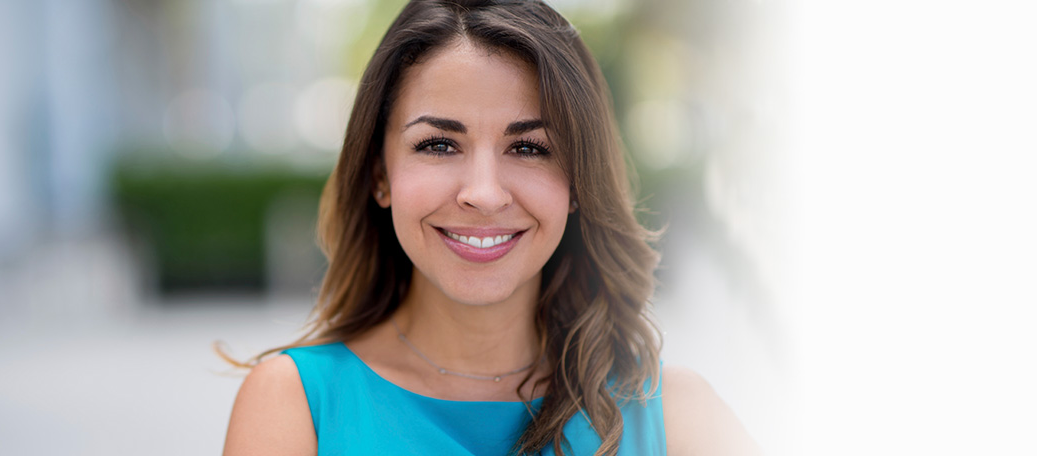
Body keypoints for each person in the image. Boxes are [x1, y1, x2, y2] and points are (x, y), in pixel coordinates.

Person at [220, 1, 758, 454]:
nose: (483, 192)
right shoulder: (294, 408)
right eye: (438, 144)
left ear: (578, 184)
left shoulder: (679, 419)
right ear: (380, 174)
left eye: (529, 147)